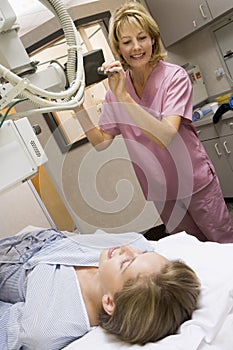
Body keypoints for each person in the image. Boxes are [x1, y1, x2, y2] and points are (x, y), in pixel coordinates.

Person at [76, 1, 233, 243]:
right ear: (117, 48)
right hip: (162, 191)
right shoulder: (116, 91)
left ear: (152, 39)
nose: (136, 47)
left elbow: (165, 136)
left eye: (142, 38)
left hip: (194, 182)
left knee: (222, 243)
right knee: (189, 252)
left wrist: (124, 98)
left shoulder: (174, 77)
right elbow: (101, 142)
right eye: (127, 42)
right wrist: (76, 105)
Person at [0, 228, 200, 349]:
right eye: (140, 254)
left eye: (125, 263)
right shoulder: (135, 244)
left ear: (110, 302)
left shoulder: (46, 325)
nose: (126, 249)